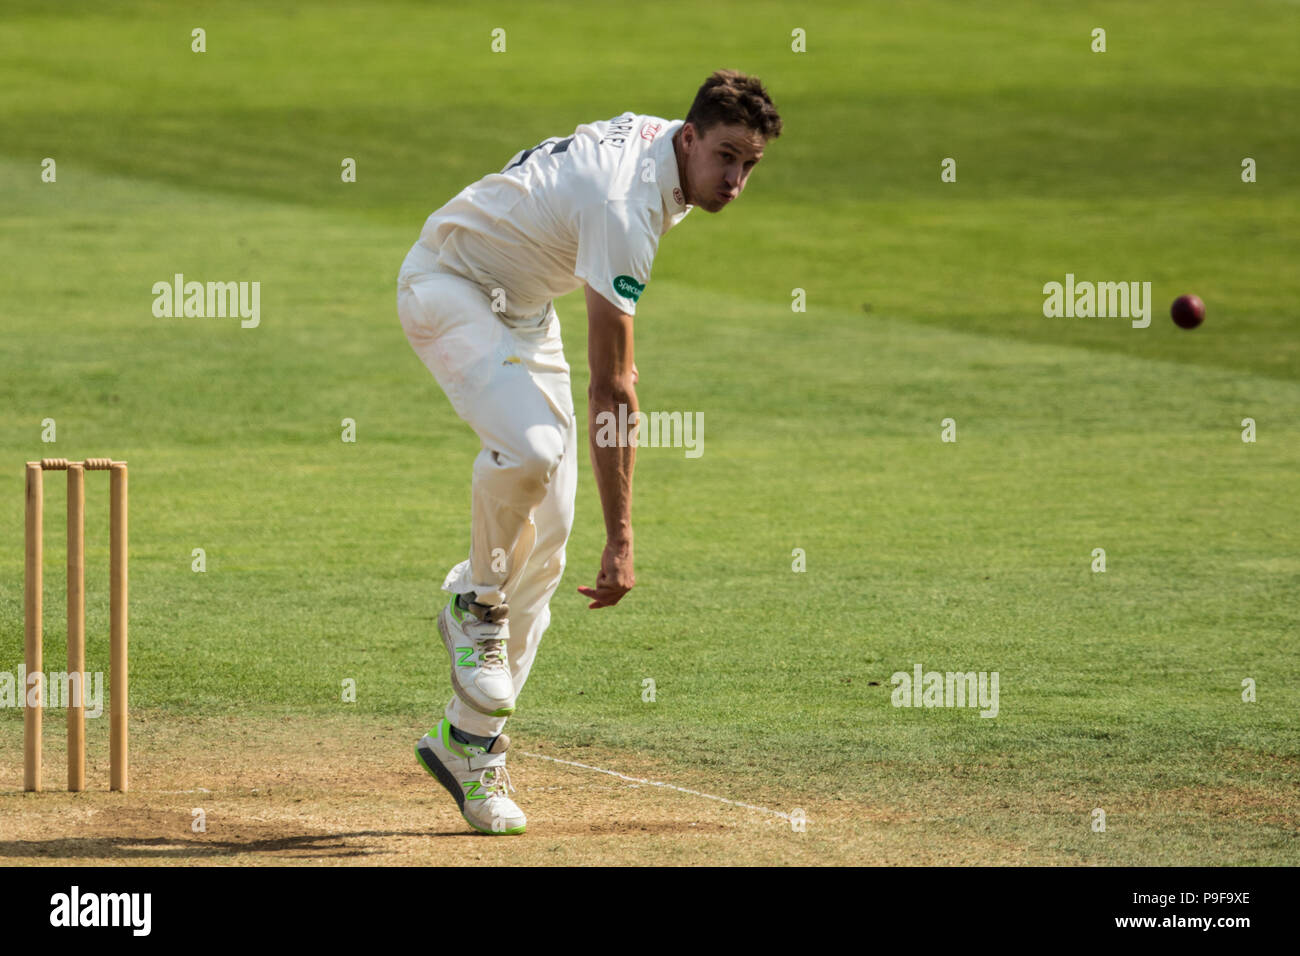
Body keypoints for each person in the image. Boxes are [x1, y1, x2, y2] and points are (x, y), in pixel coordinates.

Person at [396, 69, 782, 835]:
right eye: (726, 157)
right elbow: (613, 388)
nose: (736, 180)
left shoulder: (663, 160)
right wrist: (626, 536)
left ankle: (469, 746)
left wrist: (601, 531)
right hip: (448, 287)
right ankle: (474, 603)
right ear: (688, 136)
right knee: (533, 453)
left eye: (751, 165)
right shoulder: (626, 202)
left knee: (550, 534)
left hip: (525, 313)